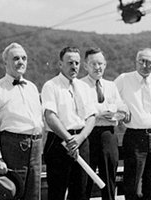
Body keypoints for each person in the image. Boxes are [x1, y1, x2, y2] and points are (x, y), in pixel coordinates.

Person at [0, 42, 44, 200]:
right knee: (12, 195)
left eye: (24, 58)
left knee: (33, 195)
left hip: (35, 148)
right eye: (16, 58)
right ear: (5, 62)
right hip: (12, 147)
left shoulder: (32, 88)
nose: (21, 62)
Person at [41, 46, 97, 200]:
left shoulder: (84, 87)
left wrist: (80, 138)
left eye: (77, 63)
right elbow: (50, 116)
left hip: (81, 141)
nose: (74, 66)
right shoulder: (51, 86)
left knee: (80, 192)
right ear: (60, 64)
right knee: (57, 192)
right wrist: (69, 139)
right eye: (70, 62)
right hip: (59, 143)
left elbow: (91, 116)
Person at [114, 48, 151, 200]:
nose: (144, 65)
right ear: (136, 61)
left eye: (149, 62)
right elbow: (110, 97)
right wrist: (122, 108)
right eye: (141, 61)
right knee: (132, 185)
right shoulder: (124, 79)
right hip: (135, 138)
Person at [81, 47, 130, 200]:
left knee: (109, 180)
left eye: (100, 64)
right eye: (93, 64)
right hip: (87, 136)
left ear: (105, 65)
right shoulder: (79, 85)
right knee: (85, 181)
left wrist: (101, 113)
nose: (97, 67)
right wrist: (102, 113)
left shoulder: (111, 86)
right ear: (85, 66)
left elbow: (122, 111)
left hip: (108, 136)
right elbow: (82, 112)